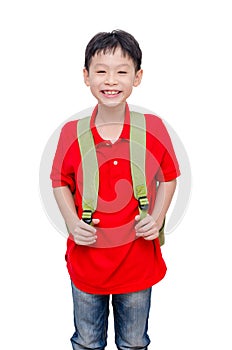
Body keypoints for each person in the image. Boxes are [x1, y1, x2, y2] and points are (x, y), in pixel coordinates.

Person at [50, 30, 180, 350]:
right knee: (88, 341)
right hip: (87, 264)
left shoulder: (154, 129)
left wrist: (158, 216)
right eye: (101, 70)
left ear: (137, 77)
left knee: (134, 342)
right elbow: (59, 182)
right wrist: (72, 223)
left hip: (137, 263)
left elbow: (170, 177)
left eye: (122, 71)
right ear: (86, 76)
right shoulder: (72, 133)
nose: (111, 80)